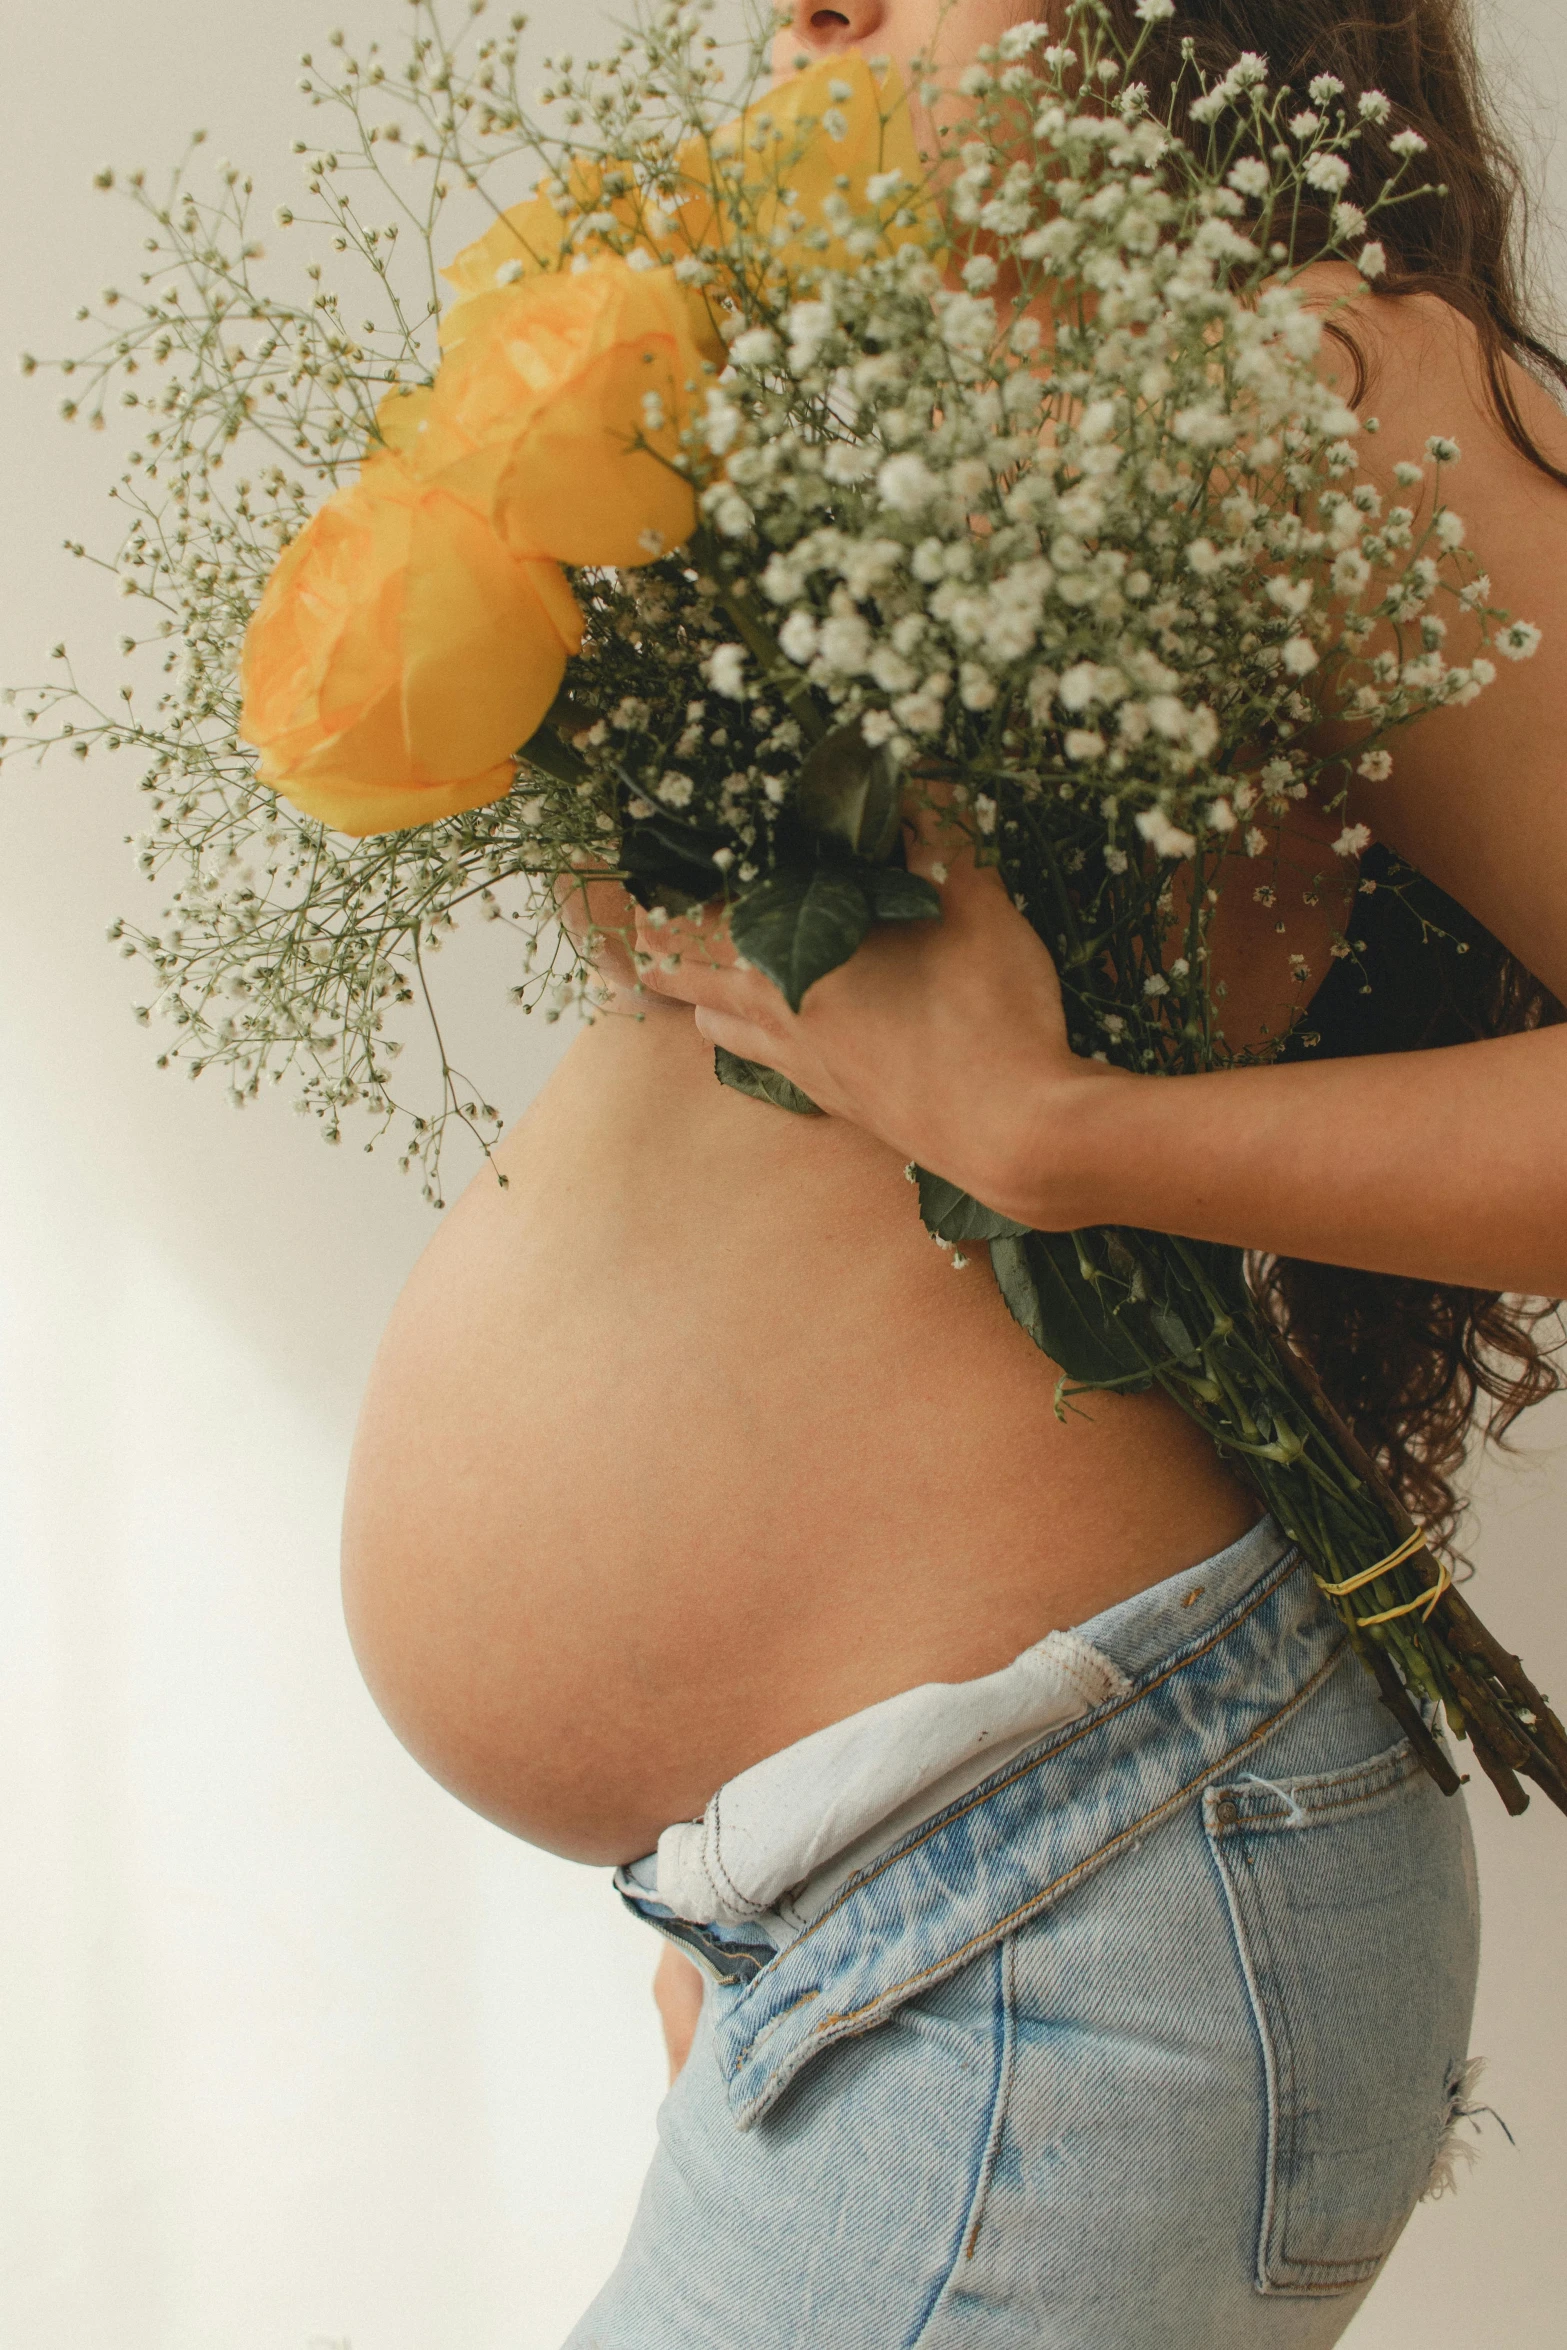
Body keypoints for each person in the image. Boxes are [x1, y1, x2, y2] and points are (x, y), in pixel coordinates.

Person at [339, 1, 1567, 2340]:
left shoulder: (1312, 369)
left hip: (1063, 1915)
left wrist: (1060, 1130)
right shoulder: (803, 374)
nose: (818, 3)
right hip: (873, 1909)